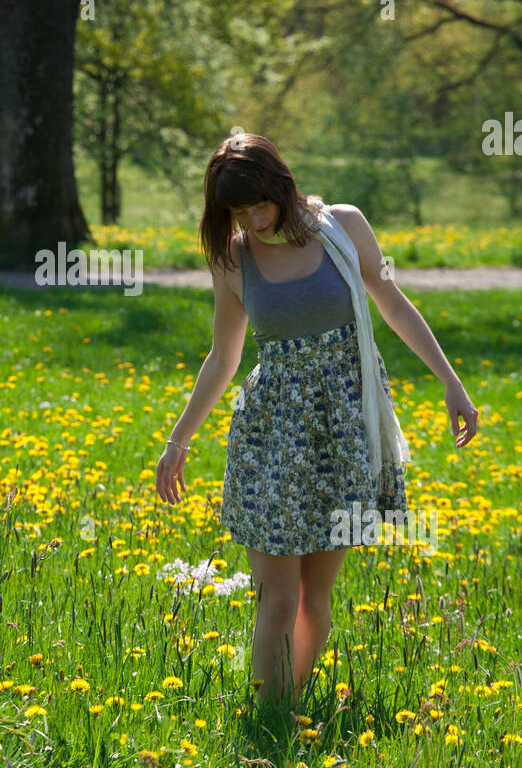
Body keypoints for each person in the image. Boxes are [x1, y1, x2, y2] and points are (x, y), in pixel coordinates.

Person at [154, 132, 479, 709]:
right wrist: (178, 440)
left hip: (346, 431)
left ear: (282, 185)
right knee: (276, 596)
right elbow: (223, 357)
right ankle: (268, 716)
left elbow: (392, 301)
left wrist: (451, 382)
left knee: (315, 599)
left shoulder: (344, 226)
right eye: (239, 211)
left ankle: (283, 710)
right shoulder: (232, 259)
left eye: (261, 204)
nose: (254, 220)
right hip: (272, 434)